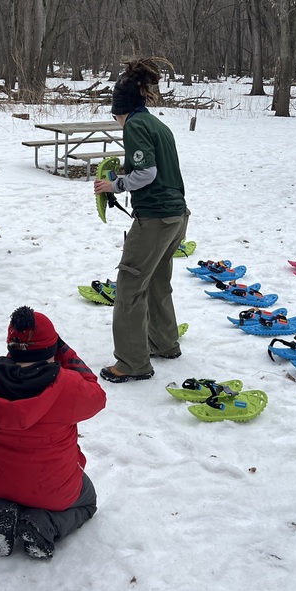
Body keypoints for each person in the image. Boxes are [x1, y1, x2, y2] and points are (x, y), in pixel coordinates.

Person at [0, 307, 106, 559]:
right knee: (88, 502)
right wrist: (65, 352)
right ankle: (42, 524)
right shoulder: (68, 385)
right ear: (52, 349)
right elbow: (97, 395)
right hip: (54, 489)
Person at [93, 58, 188, 382]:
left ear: (120, 110)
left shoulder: (134, 125)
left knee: (130, 287)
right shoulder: (158, 125)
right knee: (158, 280)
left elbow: (146, 172)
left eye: (115, 116)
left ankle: (132, 362)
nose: (118, 123)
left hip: (155, 219)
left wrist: (114, 184)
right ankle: (165, 343)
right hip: (177, 216)